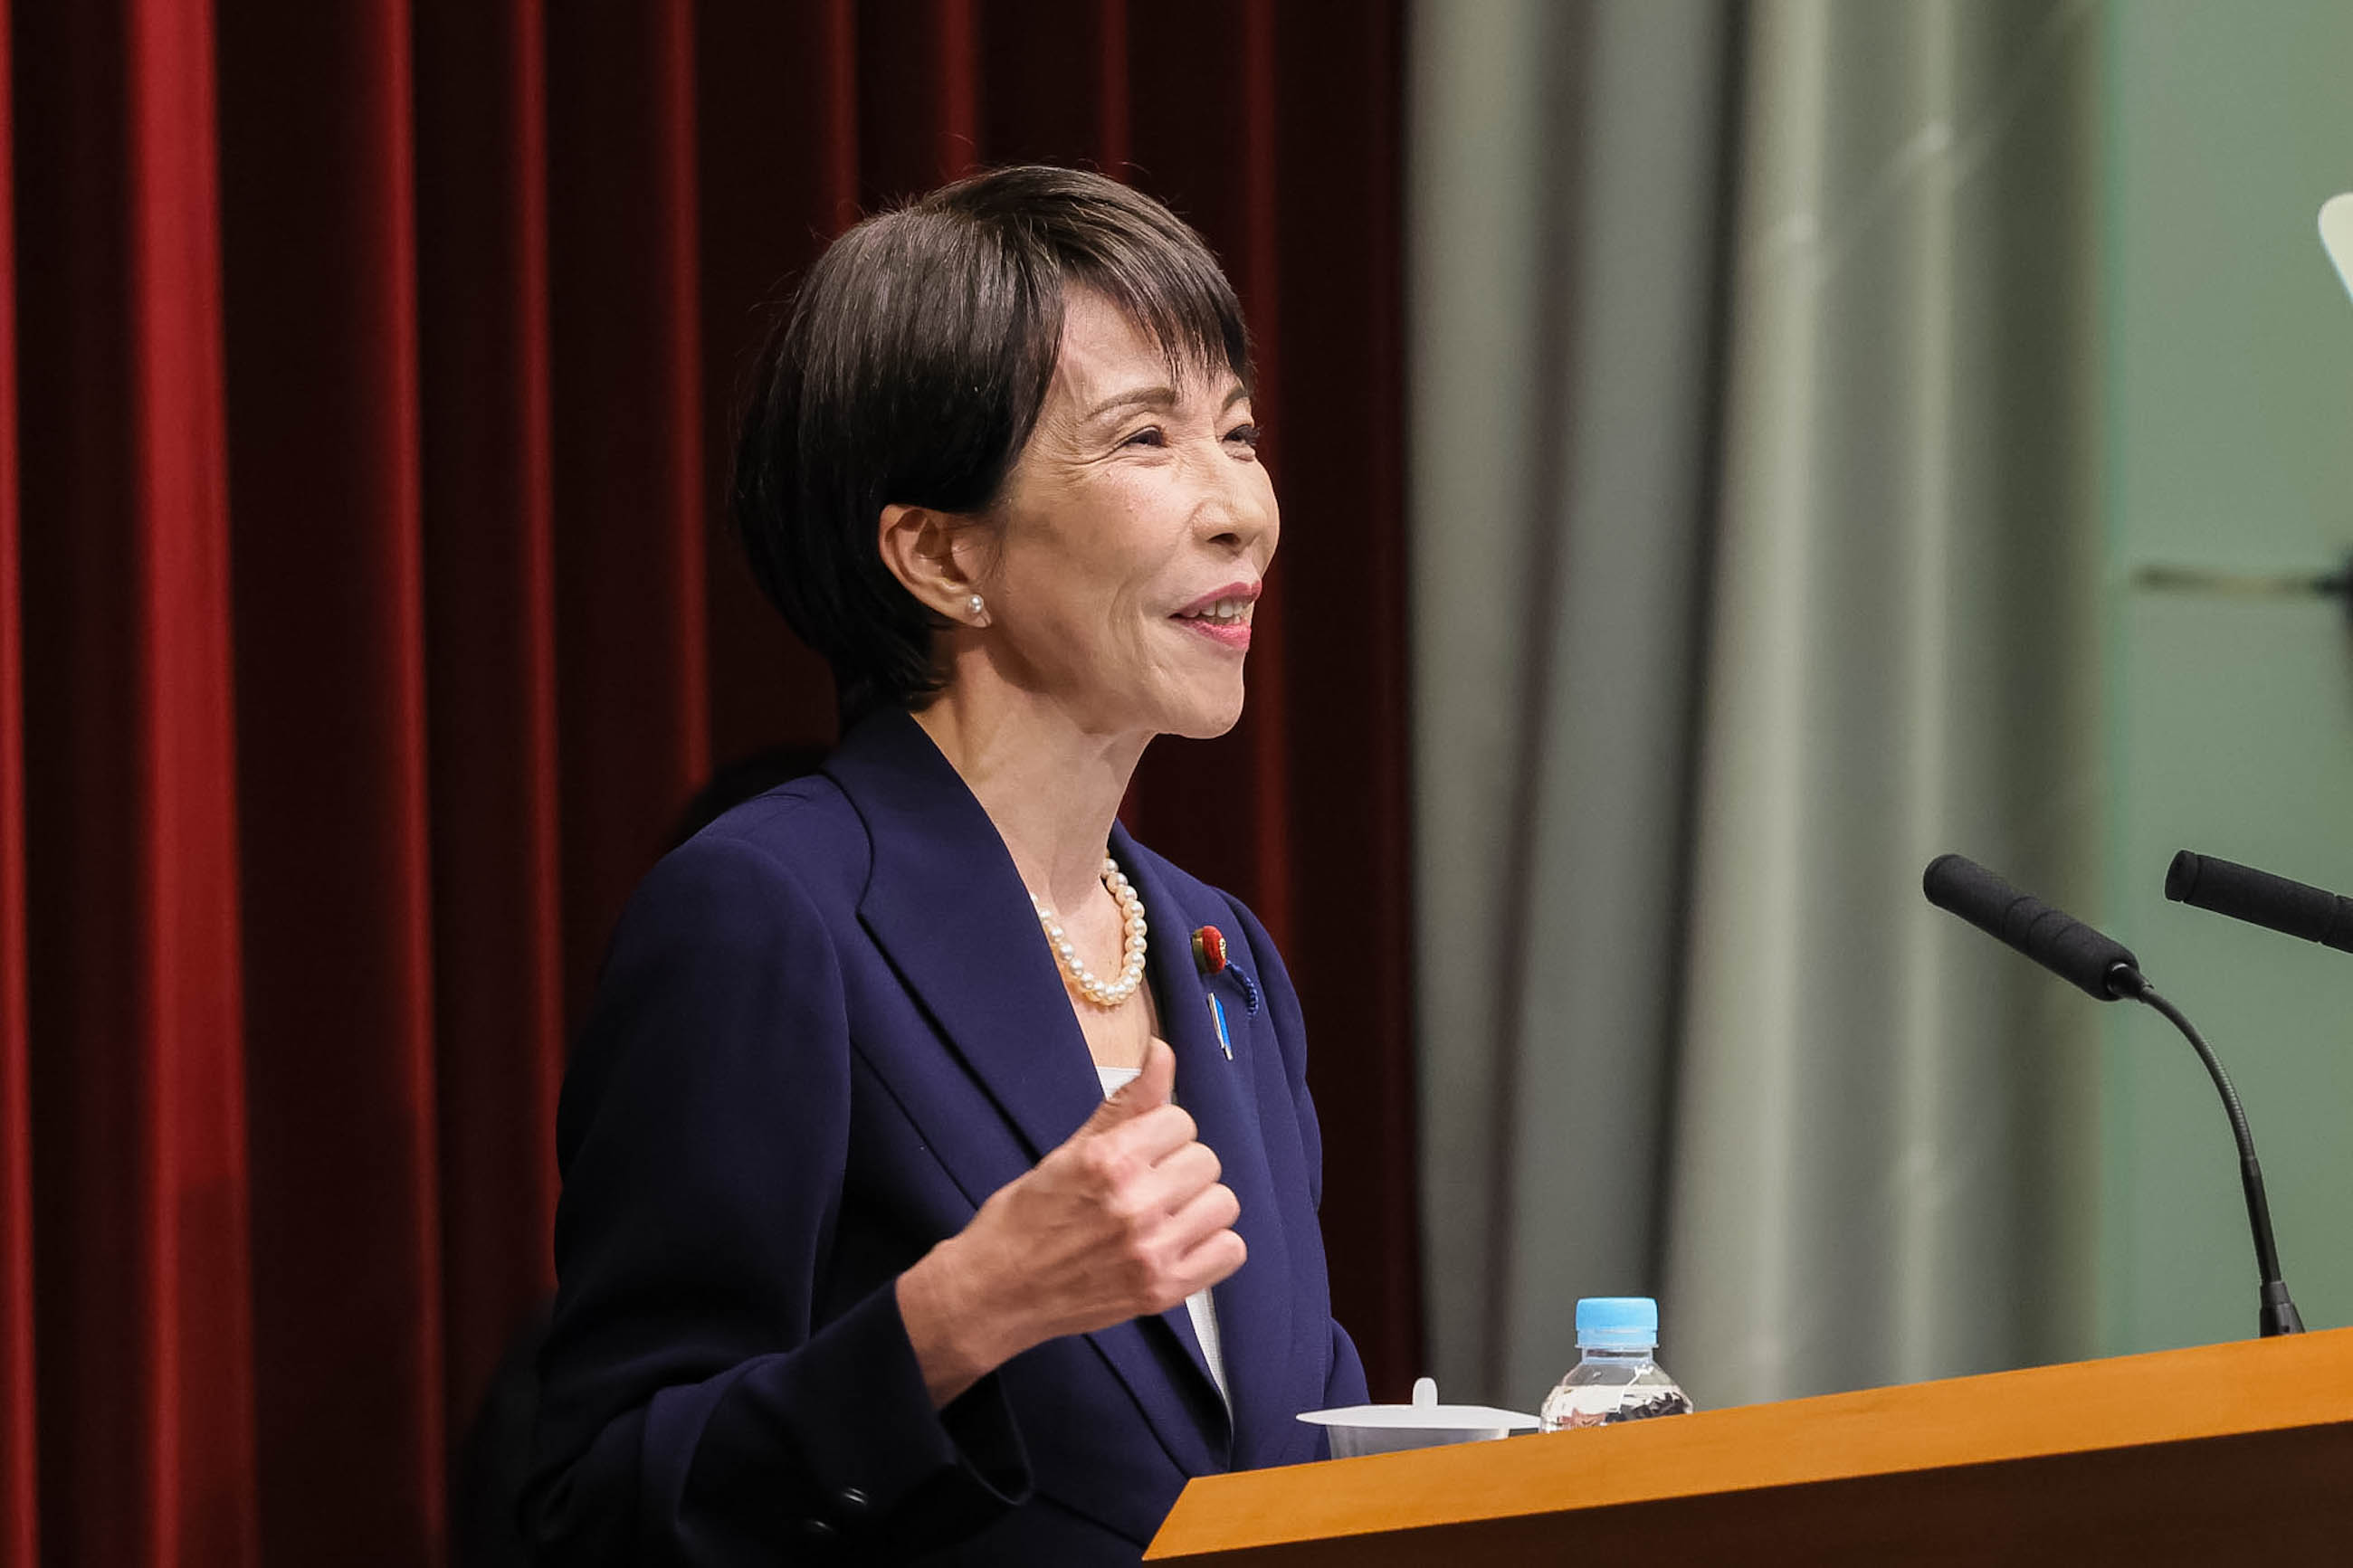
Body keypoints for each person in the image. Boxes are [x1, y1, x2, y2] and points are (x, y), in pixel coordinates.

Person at [524, 165, 1367, 1564]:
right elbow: (603, 1511)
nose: (1241, 509)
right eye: (1148, 438)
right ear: (935, 552)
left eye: (1239, 430)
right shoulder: (772, 913)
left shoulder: (1225, 960)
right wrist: (956, 1316)